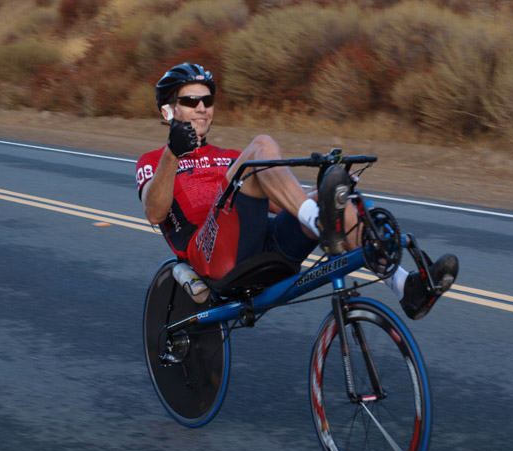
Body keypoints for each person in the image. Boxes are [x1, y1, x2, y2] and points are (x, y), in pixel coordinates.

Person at [136, 62, 458, 320]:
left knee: (335, 202)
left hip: (257, 242)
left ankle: (404, 287)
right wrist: (173, 153)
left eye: (207, 101)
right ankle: (319, 220)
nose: (202, 108)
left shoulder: (233, 157)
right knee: (262, 145)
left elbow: (282, 203)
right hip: (210, 254)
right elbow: (154, 212)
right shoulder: (153, 161)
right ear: (168, 111)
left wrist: (327, 188)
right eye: (190, 101)